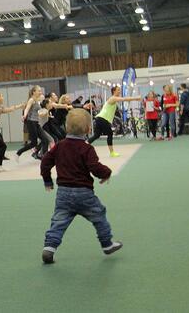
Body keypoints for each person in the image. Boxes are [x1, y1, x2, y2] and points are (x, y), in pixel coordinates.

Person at [40, 109, 122, 264]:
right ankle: (107, 244)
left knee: (58, 221)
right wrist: (106, 173)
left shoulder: (59, 146)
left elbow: (45, 162)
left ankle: (49, 248)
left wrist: (47, 180)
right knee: (99, 215)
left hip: (63, 194)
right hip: (84, 194)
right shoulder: (87, 148)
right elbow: (94, 167)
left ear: (66, 127)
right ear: (88, 130)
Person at [88, 86, 141, 157]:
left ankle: (85, 144)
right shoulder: (113, 98)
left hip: (99, 118)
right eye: (118, 90)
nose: (119, 91)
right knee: (110, 133)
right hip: (103, 119)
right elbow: (124, 99)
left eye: (119, 90)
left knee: (96, 135)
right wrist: (136, 98)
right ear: (114, 91)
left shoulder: (113, 100)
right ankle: (112, 152)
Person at [17, 86, 51, 159]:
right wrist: (24, 116)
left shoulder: (37, 100)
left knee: (45, 140)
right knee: (33, 143)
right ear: (34, 92)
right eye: (39, 91)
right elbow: (27, 108)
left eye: (40, 91)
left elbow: (38, 111)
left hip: (36, 123)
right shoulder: (31, 100)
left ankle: (44, 157)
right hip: (31, 122)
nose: (40, 92)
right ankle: (19, 152)